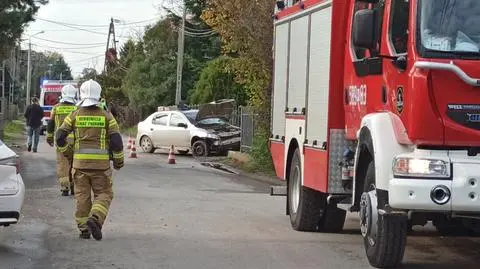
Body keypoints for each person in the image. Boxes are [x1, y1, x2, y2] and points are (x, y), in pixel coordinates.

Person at [55, 79, 124, 240]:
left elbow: (59, 136)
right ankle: (96, 217)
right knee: (104, 194)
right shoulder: (107, 116)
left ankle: (84, 229)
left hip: (79, 166)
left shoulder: (75, 114)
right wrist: (119, 161)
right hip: (101, 167)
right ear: (98, 96)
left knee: (82, 197)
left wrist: (68, 153)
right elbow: (116, 142)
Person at [47, 84, 78, 196]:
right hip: (75, 142)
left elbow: (50, 124)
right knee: (74, 164)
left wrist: (49, 137)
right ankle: (74, 185)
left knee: (62, 164)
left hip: (61, 141)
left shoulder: (56, 107)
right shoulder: (77, 108)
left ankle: (65, 187)